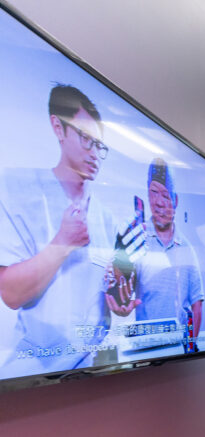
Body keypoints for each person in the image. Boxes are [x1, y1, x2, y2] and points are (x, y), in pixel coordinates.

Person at [0, 84, 116, 375]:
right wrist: (63, 242)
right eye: (86, 139)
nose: (94, 154)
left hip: (93, 373)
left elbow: (106, 302)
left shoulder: (106, 217)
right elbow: (11, 293)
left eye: (99, 146)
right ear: (58, 128)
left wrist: (121, 303)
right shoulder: (18, 193)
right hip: (36, 375)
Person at [117, 159, 204, 349]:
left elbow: (197, 304)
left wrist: (192, 347)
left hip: (178, 347)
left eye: (165, 195)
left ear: (176, 200)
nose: (158, 203)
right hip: (145, 346)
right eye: (153, 193)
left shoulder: (187, 249)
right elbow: (121, 295)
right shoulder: (137, 241)